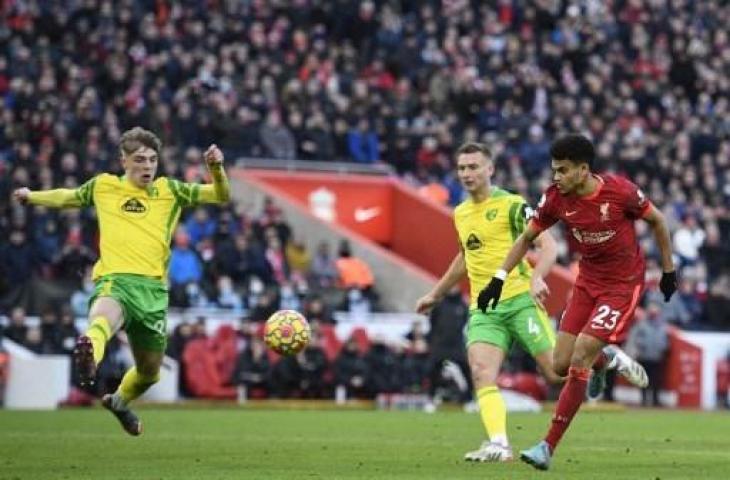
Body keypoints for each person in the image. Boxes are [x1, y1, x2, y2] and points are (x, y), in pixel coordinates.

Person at [477, 134, 677, 470]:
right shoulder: (556, 198)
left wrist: (669, 270)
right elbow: (527, 238)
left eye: (563, 170)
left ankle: (547, 446)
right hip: (587, 283)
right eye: (554, 169)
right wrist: (498, 279)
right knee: (559, 365)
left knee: (582, 351)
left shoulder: (621, 192)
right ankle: (606, 359)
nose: (556, 177)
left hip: (622, 286)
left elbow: (657, 220)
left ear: (583, 171)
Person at [13, 127, 230, 435]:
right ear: (124, 161)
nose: (147, 166)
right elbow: (69, 197)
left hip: (153, 292)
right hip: (116, 280)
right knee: (101, 320)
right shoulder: (104, 186)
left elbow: (220, 195)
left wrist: (216, 168)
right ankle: (89, 354)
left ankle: (118, 401)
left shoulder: (171, 190)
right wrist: (32, 196)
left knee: (149, 373)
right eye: (140, 160)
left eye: (153, 160)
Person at [415, 142, 562, 463]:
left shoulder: (512, 205)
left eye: (473, 167)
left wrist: (538, 277)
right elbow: (465, 256)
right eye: (462, 168)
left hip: (520, 300)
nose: (466, 174)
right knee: (481, 372)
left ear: (490, 169)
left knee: (556, 374)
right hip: (485, 309)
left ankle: (601, 356)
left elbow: (549, 246)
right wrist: (436, 294)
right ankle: (498, 444)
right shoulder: (461, 212)